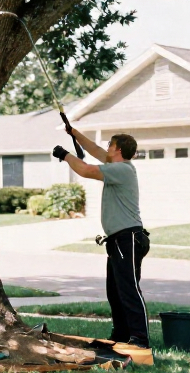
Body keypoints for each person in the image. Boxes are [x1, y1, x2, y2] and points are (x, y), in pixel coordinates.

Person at [53, 130, 152, 360]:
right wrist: (74, 133)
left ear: (118, 150)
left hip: (129, 239)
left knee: (129, 291)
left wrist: (65, 155)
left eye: (110, 144)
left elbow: (86, 170)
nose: (106, 147)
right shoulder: (116, 165)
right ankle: (121, 336)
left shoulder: (122, 169)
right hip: (117, 240)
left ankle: (140, 340)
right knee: (115, 292)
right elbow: (94, 151)